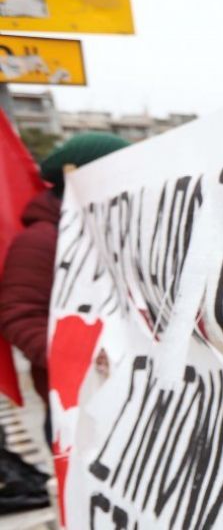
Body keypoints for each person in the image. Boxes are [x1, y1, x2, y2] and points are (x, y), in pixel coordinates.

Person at [0, 132, 130, 442]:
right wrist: (78, 360)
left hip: (132, 396)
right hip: (77, 405)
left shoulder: (122, 230)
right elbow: (19, 314)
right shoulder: (42, 240)